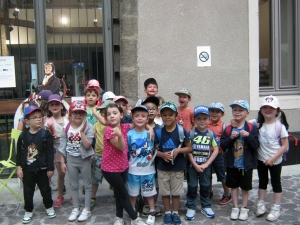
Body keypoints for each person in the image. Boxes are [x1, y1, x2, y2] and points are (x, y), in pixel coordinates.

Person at [101, 103, 146, 225]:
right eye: (109, 114)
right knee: (123, 194)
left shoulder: (124, 127)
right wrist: (120, 135)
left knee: (119, 193)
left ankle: (119, 217)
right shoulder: (109, 130)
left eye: (115, 113)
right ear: (106, 118)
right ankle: (135, 218)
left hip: (123, 167)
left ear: (121, 115)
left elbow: (137, 124)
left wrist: (150, 128)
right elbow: (121, 147)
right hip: (110, 170)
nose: (112, 116)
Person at [16, 105, 56, 224]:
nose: (39, 119)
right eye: (35, 117)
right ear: (27, 121)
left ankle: (49, 207)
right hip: (28, 169)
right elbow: (19, 153)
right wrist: (19, 167)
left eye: (40, 117)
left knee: (45, 190)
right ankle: (28, 210)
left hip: (42, 168)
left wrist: (50, 168)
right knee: (28, 191)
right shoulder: (23, 136)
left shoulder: (45, 135)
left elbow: (49, 153)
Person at [220, 100, 259, 221]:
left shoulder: (251, 128)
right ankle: (235, 207)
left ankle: (244, 208)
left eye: (240, 110)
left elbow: (256, 145)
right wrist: (231, 138)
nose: (237, 112)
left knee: (245, 187)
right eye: (235, 110)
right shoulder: (228, 128)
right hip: (232, 165)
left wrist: (248, 136)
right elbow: (223, 145)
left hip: (246, 165)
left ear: (247, 113)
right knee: (234, 187)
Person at [154, 101, 192, 225]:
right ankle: (167, 212)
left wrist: (178, 150)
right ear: (161, 116)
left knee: (176, 193)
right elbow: (153, 150)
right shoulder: (158, 132)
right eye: (164, 115)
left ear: (176, 116)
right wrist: (162, 154)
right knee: (165, 193)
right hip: (162, 168)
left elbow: (190, 148)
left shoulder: (181, 131)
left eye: (170, 114)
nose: (167, 117)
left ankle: (175, 212)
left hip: (178, 168)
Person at [59, 100, 94, 222]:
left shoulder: (88, 126)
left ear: (85, 114)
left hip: (84, 159)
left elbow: (87, 145)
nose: (78, 115)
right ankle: (75, 207)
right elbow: (62, 146)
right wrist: (63, 162)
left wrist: (82, 132)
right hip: (71, 159)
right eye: (75, 112)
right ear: (70, 114)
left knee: (87, 184)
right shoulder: (66, 127)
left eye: (81, 113)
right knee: (73, 185)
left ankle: (87, 208)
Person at [254, 95, 289, 221]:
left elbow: (285, 145)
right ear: (261, 110)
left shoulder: (280, 126)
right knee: (262, 182)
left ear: (277, 111)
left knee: (276, 183)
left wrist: (273, 159)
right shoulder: (257, 124)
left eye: (271, 108)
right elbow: (243, 123)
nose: (268, 110)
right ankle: (261, 204)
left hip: (275, 160)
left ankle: (276, 207)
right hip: (261, 159)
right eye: (265, 107)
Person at [185, 105, 219, 220]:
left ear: (209, 119)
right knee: (192, 186)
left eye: (204, 118)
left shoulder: (211, 134)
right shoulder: (190, 134)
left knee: (205, 186)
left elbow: (216, 150)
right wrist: (194, 164)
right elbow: (188, 151)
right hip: (192, 166)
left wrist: (207, 164)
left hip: (206, 166)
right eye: (199, 118)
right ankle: (191, 206)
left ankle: (206, 205)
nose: (202, 121)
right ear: (194, 120)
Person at [127, 105, 157, 225]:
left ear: (147, 118)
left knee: (149, 194)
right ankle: (133, 213)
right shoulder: (129, 134)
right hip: (133, 169)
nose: (140, 118)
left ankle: (152, 211)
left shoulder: (151, 133)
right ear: (132, 118)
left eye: (143, 116)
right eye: (137, 116)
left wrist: (150, 128)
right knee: (133, 194)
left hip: (148, 170)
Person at [44, 94, 69, 207]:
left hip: (71, 149)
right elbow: (45, 138)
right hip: (58, 150)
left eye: (57, 104)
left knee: (72, 173)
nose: (54, 106)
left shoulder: (68, 119)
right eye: (52, 105)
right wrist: (51, 137)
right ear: (49, 107)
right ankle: (60, 194)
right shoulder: (48, 122)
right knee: (61, 174)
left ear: (61, 106)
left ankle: (73, 194)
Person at [90, 100, 114, 212]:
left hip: (111, 155)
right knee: (96, 177)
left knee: (113, 175)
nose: (105, 114)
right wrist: (93, 153)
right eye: (103, 111)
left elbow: (105, 122)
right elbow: (94, 139)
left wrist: (94, 112)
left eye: (107, 112)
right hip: (99, 155)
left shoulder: (111, 124)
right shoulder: (96, 125)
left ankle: (114, 190)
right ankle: (92, 197)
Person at [141, 96, 162, 216]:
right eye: (148, 108)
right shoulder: (138, 127)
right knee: (145, 182)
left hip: (156, 161)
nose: (151, 111)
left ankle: (154, 202)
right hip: (142, 161)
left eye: (154, 108)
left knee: (156, 183)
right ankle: (145, 203)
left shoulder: (159, 129)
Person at [207, 102, 231, 204]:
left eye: (217, 112)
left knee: (221, 175)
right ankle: (209, 192)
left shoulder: (223, 126)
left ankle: (227, 194)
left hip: (218, 154)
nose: (214, 113)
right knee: (207, 175)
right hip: (206, 154)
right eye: (212, 111)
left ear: (222, 114)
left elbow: (225, 139)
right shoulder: (206, 123)